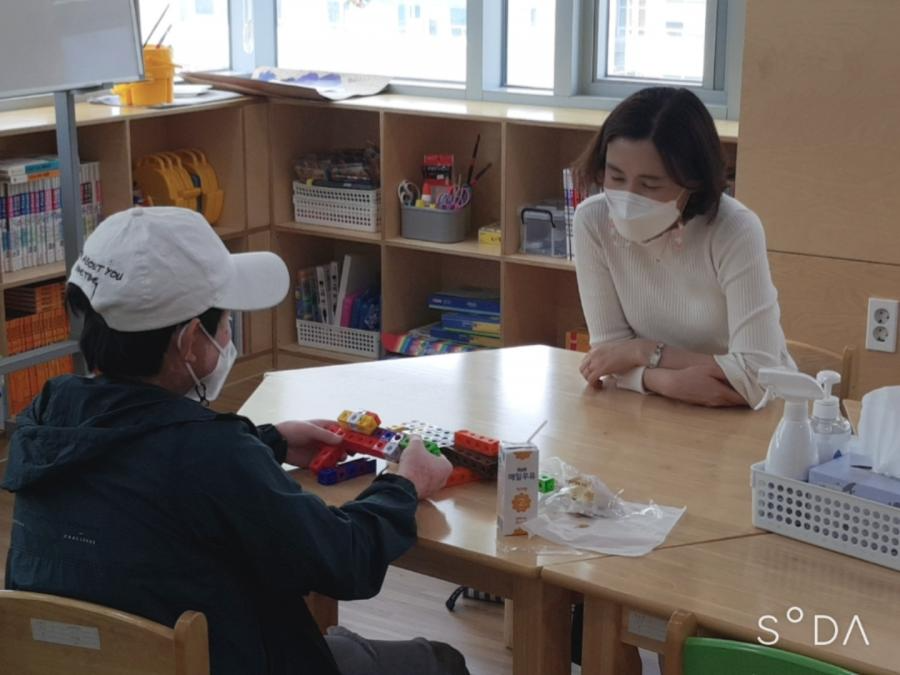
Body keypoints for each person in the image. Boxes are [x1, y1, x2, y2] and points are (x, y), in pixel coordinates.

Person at [1, 206, 466, 675]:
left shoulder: (45, 421)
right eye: (224, 320)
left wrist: (270, 442)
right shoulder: (211, 456)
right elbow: (347, 561)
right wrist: (405, 484)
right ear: (188, 341)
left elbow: (138, 465)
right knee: (440, 663)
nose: (228, 333)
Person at [572, 86, 795, 408]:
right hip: (653, 407)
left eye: (650, 184)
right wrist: (665, 382)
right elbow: (607, 356)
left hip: (753, 412)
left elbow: (756, 376)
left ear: (693, 183)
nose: (628, 199)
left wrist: (643, 352)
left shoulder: (734, 229)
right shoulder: (592, 221)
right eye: (616, 177)